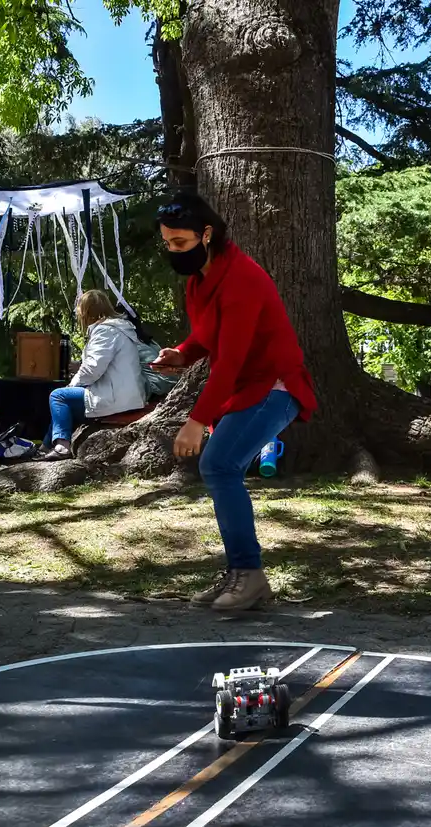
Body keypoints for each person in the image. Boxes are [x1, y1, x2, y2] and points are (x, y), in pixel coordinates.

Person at [149, 192, 317, 612]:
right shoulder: (201, 279)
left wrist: (195, 420)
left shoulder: (242, 279)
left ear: (207, 234)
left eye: (181, 243)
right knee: (220, 468)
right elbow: (211, 335)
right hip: (248, 388)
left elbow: (231, 361)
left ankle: (249, 575)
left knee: (218, 465)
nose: (173, 251)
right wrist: (184, 352)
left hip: (276, 388)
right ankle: (241, 573)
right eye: (168, 244)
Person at [40, 290, 149, 459]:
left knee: (58, 396)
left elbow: (93, 369)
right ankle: (45, 446)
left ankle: (62, 446)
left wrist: (72, 384)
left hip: (115, 397)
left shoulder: (105, 331)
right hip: (126, 394)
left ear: (87, 312)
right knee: (64, 403)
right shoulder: (117, 329)